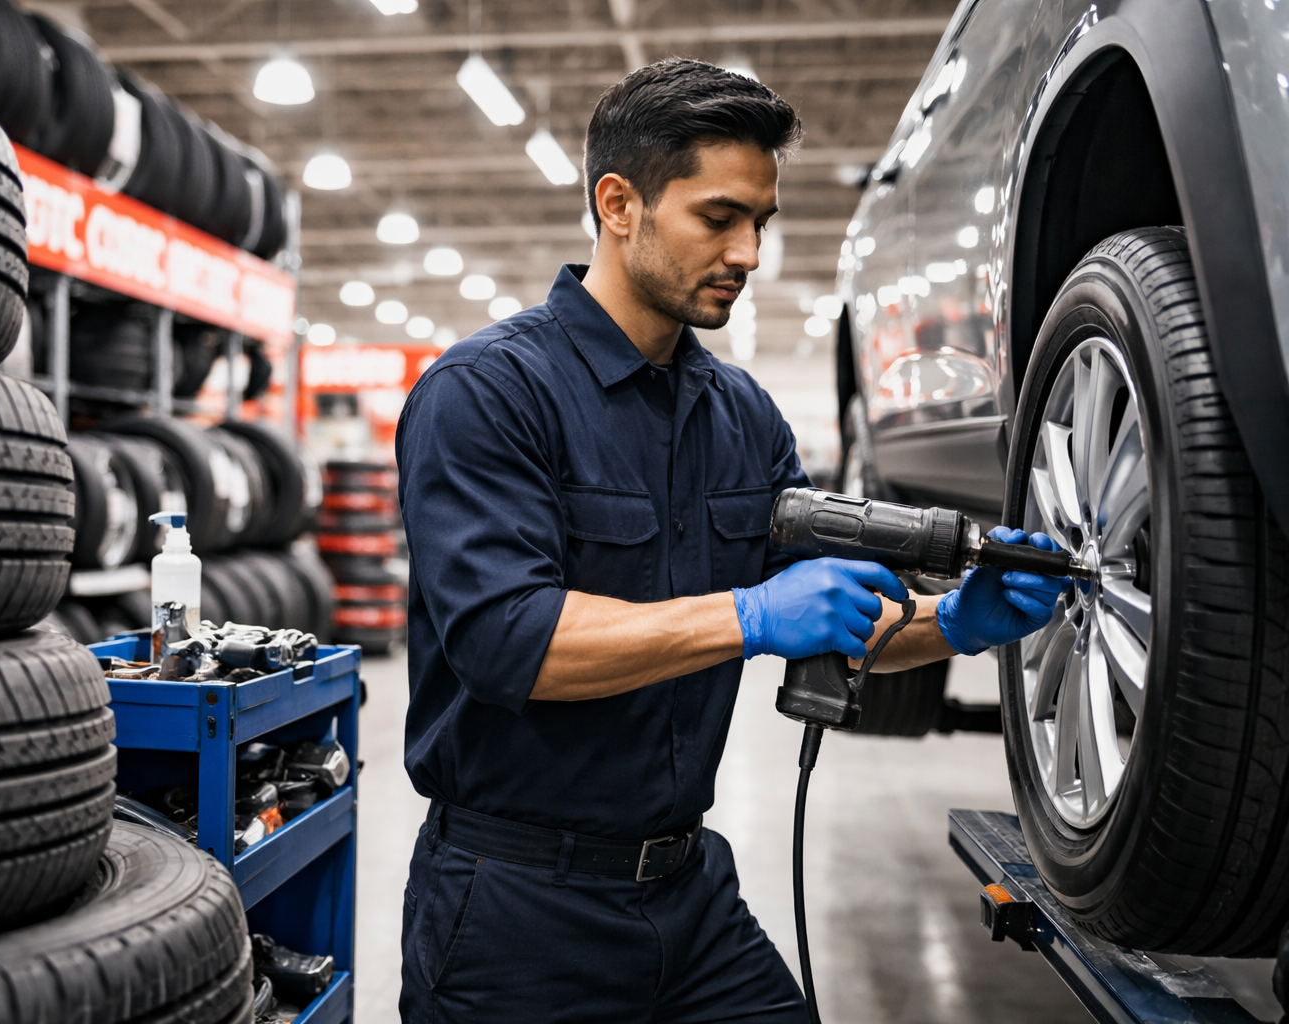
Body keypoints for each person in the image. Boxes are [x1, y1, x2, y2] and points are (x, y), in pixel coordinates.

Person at [393, 58, 1064, 1023]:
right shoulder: (487, 394)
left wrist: (956, 621)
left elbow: (831, 614)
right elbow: (509, 640)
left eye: (762, 223)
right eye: (719, 218)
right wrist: (749, 616)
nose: (750, 252)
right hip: (515, 906)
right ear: (618, 204)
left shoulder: (742, 416)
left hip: (690, 892)